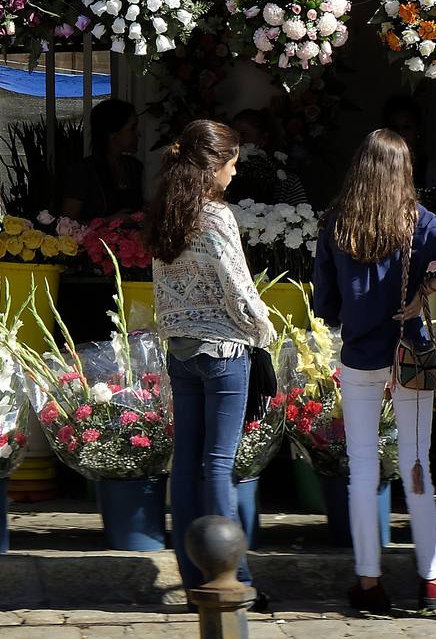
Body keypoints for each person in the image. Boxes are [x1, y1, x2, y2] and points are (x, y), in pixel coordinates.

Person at [311, 129, 436, 614]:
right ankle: (433, 580)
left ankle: (368, 581)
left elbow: (326, 304)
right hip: (411, 356)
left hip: (361, 355)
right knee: (417, 463)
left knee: (362, 470)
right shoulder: (418, 222)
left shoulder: (338, 223)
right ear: (405, 172)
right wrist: (426, 290)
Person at [145, 120, 275, 601]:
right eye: (233, 162)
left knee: (185, 465)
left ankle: (191, 571)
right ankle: (232, 580)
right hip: (222, 352)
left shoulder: (166, 212)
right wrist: (265, 330)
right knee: (219, 466)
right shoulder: (216, 217)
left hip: (181, 351)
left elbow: (165, 288)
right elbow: (240, 291)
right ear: (214, 164)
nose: (236, 172)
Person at [61, 98, 144, 221]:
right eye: (132, 128)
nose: (138, 133)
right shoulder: (83, 172)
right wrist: (108, 222)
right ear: (113, 134)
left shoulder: (134, 166)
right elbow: (66, 225)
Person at [228, 108, 309, 206]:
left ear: (264, 138)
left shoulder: (286, 179)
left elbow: (300, 215)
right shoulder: (222, 171)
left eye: (244, 135)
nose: (238, 141)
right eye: (233, 136)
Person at [384, 95, 436, 189]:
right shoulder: (379, 171)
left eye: (407, 127)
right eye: (394, 127)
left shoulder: (434, 172)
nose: (400, 133)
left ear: (417, 130)